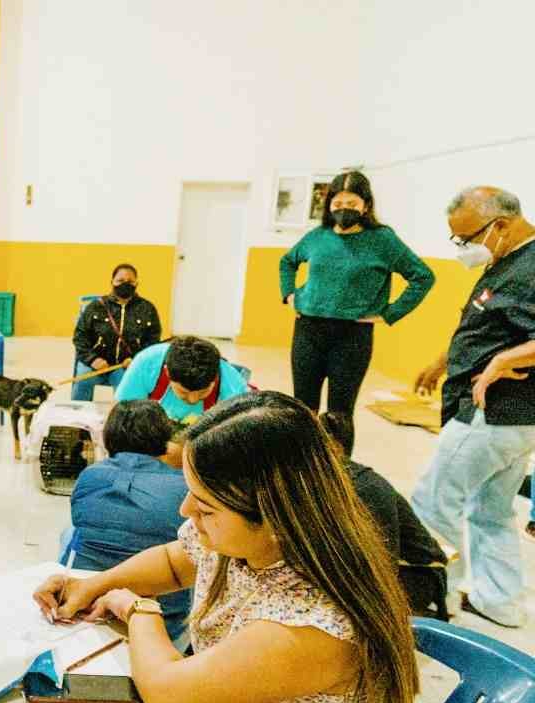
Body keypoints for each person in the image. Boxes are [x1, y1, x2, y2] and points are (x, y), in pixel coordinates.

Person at [33, 392, 418, 703]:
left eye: (205, 507)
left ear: (275, 518)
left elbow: (168, 694)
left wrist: (137, 608)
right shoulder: (247, 539)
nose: (185, 514)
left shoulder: (312, 626)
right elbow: (178, 561)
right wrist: (96, 584)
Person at [410, 186, 535, 629]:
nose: (463, 250)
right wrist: (443, 361)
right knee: (492, 509)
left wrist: (504, 360)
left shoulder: (531, 267)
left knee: (432, 502)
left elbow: (510, 344)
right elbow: (487, 324)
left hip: (495, 412)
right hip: (508, 419)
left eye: (466, 239)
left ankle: (433, 601)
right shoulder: (507, 263)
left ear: (499, 226)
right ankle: (499, 602)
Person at [280, 171, 435, 415]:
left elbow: (423, 276)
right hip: (308, 330)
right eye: (337, 203)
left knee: (339, 413)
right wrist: (289, 294)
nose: (343, 210)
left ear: (366, 205)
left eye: (351, 204)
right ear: (329, 204)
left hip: (352, 336)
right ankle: (305, 455)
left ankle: (338, 455)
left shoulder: (383, 239)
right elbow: (287, 261)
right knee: (302, 409)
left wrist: (389, 313)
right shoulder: (317, 236)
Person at [68, 400, 192, 645]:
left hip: (84, 607)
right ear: (164, 438)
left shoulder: (89, 475)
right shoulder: (185, 488)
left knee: (69, 534)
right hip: (163, 624)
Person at [319, 413, 449, 619]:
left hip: (416, 573)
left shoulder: (364, 487)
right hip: (375, 567)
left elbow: (383, 565)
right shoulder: (318, 482)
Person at [71, 263, 162, 401]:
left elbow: (152, 341)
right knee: (82, 382)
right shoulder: (95, 307)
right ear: (112, 282)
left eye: (130, 281)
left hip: (127, 366)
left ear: (137, 283)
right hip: (95, 363)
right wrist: (92, 359)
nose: (125, 284)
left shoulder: (147, 308)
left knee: (128, 398)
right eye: (120, 281)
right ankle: (77, 419)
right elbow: (80, 337)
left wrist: (137, 360)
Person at [115, 336, 250, 424]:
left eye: (203, 393)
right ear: (167, 372)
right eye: (183, 393)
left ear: (215, 378)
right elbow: (122, 416)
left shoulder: (233, 387)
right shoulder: (146, 364)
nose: (193, 400)